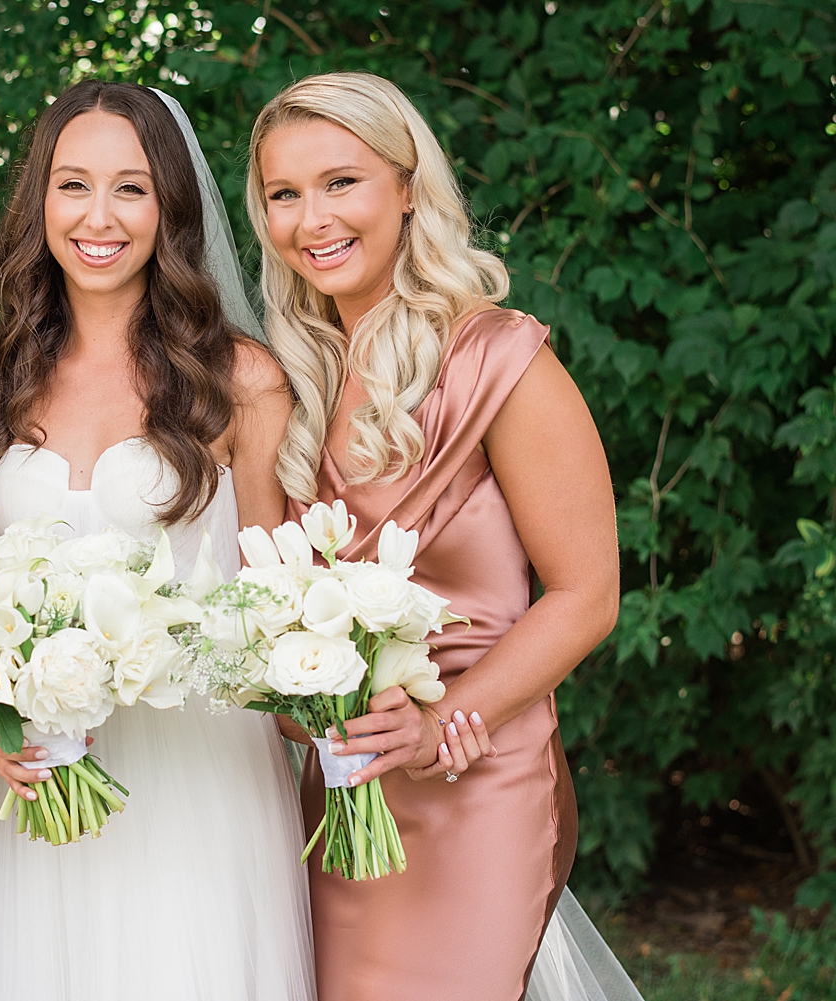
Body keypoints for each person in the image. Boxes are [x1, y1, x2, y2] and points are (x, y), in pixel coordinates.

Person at [246, 72, 642, 1001]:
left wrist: (441, 724)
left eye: (342, 182)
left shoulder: (501, 359)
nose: (313, 218)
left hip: (481, 775)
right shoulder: (288, 386)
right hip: (340, 794)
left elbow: (588, 595)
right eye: (284, 194)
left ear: (407, 187)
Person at [0, 81, 316, 1001]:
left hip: (197, 780)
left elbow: (275, 605)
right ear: (40, 201)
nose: (100, 216)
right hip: (33, 786)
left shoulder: (241, 379)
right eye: (73, 185)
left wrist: (342, 709)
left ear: (170, 206)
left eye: (131, 187)